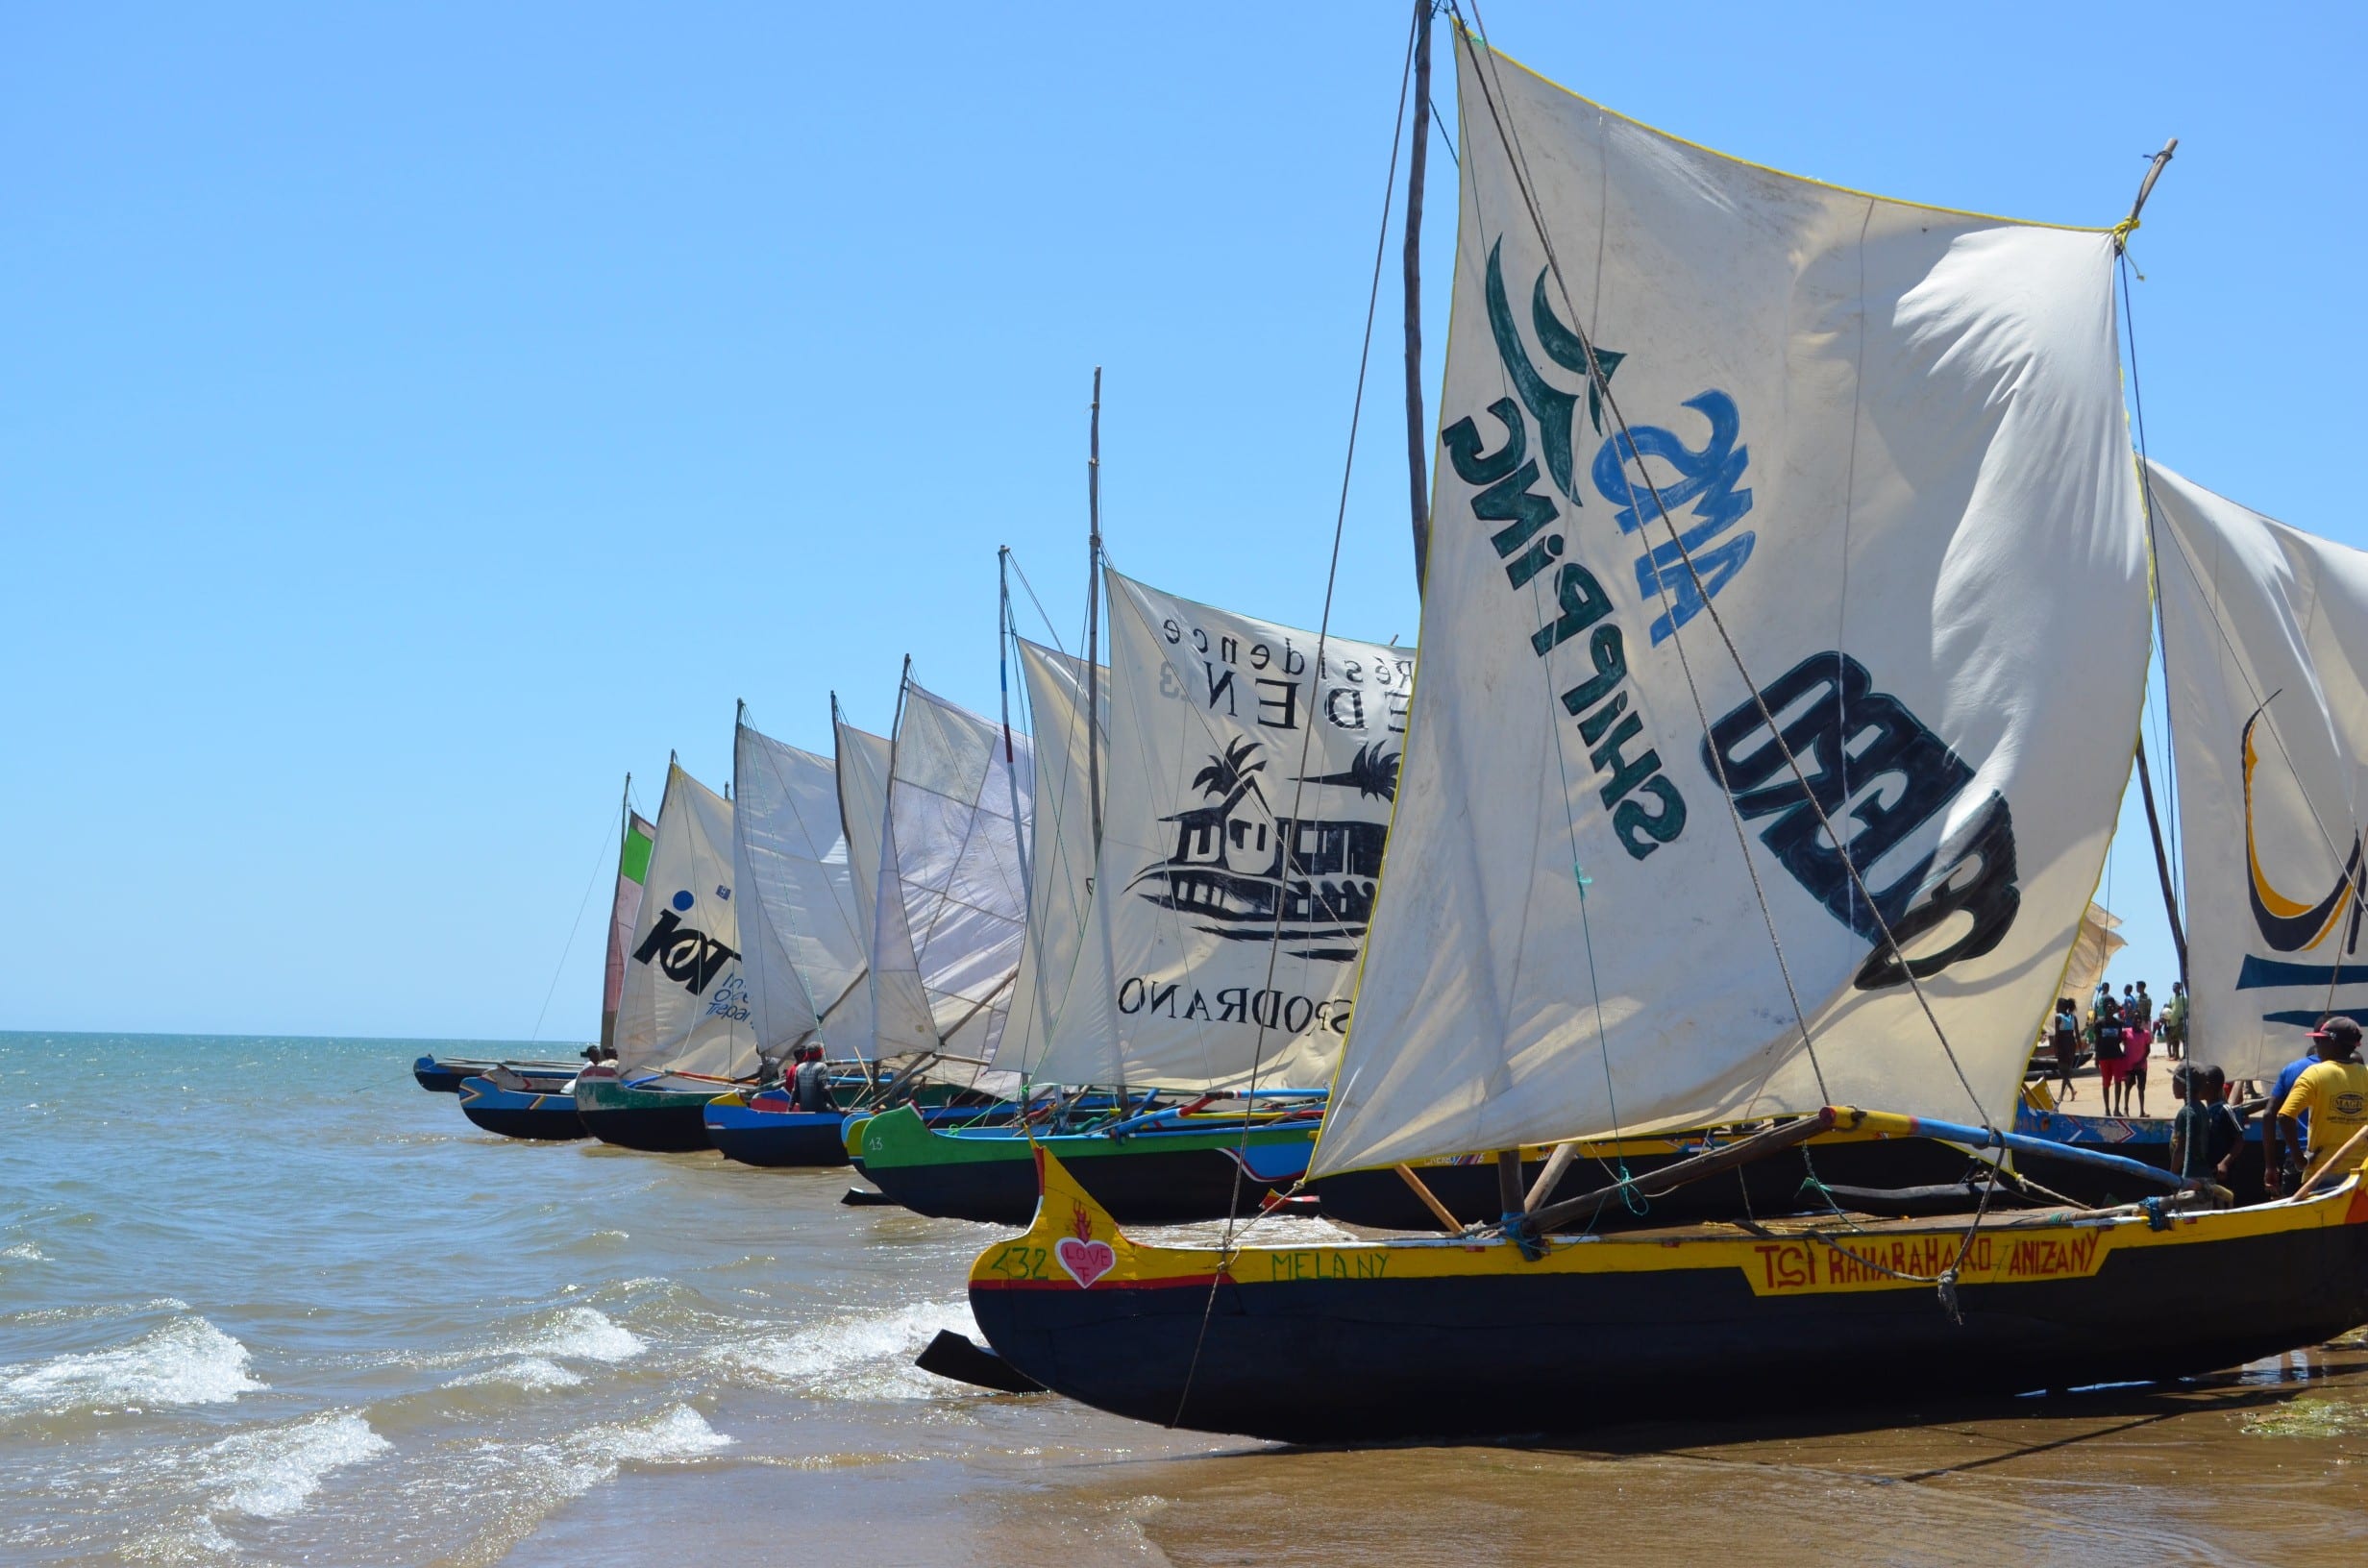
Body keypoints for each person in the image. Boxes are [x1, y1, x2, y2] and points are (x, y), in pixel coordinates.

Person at [2278, 1017, 2368, 1187]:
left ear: (2332, 1043)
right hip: (2360, 1174)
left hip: (2322, 1173)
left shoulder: (2315, 1074)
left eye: (2319, 1040)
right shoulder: (2366, 1074)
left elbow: (2285, 1116)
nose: (2316, 1044)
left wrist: (2299, 1160)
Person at [2265, 1031, 2327, 1197]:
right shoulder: (2350, 1070)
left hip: (2297, 1153)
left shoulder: (2291, 1069)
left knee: (2294, 1213)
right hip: (2336, 1154)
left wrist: (2270, 1165)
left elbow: (2269, 1114)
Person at [2169, 1064, 2242, 1186]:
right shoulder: (2204, 1110)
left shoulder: (2222, 1110)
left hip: (2215, 1172)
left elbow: (2239, 1140)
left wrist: (2224, 1163)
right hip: (2209, 1171)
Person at [2048, 996, 2083, 1101]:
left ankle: (2072, 1089)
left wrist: (2055, 1048)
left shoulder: (2058, 1017)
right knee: (2066, 1072)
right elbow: (2077, 1034)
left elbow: (2057, 1035)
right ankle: (2061, 1095)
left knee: (2062, 1072)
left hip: (2063, 1046)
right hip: (2071, 1046)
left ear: (2061, 1006)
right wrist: (2080, 1048)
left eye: (2057, 1005)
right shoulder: (2073, 1017)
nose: (2056, 1008)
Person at [2121, 1010, 2154, 1117]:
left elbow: (2148, 1050)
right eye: (2136, 1018)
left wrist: (2141, 1061)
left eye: (2139, 1019)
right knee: (2128, 1087)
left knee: (2141, 1088)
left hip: (2141, 1066)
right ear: (2132, 1020)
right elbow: (2118, 1042)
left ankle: (2142, 1111)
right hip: (2129, 1065)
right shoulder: (2126, 1032)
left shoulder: (2146, 1034)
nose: (2138, 1021)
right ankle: (2126, 1109)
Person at [792, 1042, 836, 1115]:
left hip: (804, 1109)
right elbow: (824, 1089)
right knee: (834, 1109)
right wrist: (837, 1107)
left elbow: (795, 1091)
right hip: (820, 1109)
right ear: (820, 1053)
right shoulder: (822, 1067)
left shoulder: (799, 1067)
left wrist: (789, 1109)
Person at [2162, 981, 2189, 1062]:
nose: (2174, 988)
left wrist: (2184, 1016)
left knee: (2183, 1040)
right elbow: (2169, 1009)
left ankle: (2185, 1056)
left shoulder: (2184, 998)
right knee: (2174, 1040)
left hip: (2181, 1022)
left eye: (2176, 987)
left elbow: (2188, 1008)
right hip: (2172, 1022)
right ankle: (2176, 1055)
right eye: (2173, 987)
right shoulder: (2172, 998)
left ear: (2180, 988)